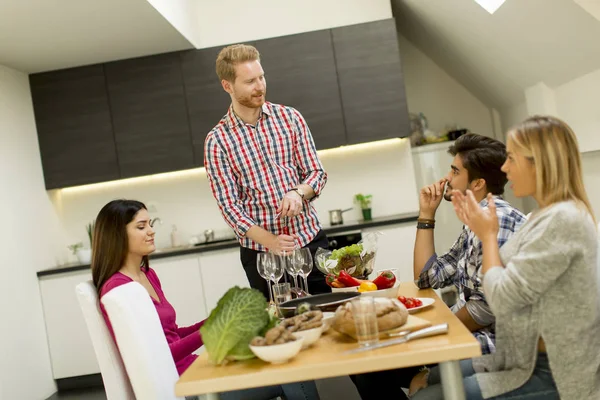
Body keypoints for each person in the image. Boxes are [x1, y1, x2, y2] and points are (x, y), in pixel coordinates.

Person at [412, 115, 600, 399]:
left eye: (512, 158)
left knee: (426, 393)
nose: (505, 168)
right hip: (521, 358)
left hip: (556, 373)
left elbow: (499, 301)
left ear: (538, 163)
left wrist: (488, 236)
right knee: (428, 382)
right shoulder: (542, 216)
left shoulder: (564, 221)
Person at [350, 134, 527, 400]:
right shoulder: (475, 220)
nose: (447, 178)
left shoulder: (495, 219)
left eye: (455, 171)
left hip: (490, 345)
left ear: (477, 183)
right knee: (368, 365)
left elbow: (485, 309)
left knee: (373, 366)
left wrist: (436, 333)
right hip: (468, 335)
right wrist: (426, 214)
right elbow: (427, 277)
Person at [92, 199, 320, 400]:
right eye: (141, 226)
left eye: (150, 224)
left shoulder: (146, 275)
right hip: (185, 386)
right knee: (292, 373)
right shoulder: (118, 291)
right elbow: (155, 358)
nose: (151, 231)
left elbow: (171, 334)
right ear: (117, 235)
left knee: (286, 362)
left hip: (195, 370)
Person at [204, 44, 330, 298]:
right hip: (262, 256)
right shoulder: (217, 141)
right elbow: (230, 208)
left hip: (309, 241)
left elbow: (316, 173)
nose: (260, 86)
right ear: (227, 85)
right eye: (250, 81)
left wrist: (297, 193)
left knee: (331, 315)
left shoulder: (290, 118)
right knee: (280, 328)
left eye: (261, 77)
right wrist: (270, 241)